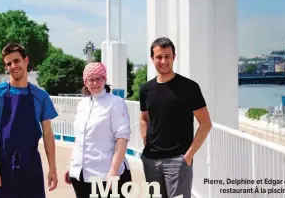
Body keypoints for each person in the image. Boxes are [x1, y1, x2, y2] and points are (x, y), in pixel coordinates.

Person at [0, 43, 59, 198]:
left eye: (16, 61)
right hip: (2, 164)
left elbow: (48, 134)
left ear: (26, 60)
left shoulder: (41, 96)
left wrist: (52, 169)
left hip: (31, 164)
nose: (13, 66)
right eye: (8, 63)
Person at [139, 37, 213, 198]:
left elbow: (206, 124)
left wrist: (187, 157)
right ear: (152, 58)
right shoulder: (145, 89)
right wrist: (146, 143)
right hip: (151, 160)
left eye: (167, 56)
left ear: (174, 57)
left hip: (178, 160)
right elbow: (144, 118)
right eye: (159, 56)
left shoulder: (189, 87)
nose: (163, 61)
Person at [64, 62, 132, 198]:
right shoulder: (82, 104)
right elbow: (79, 139)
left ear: (105, 80)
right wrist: (70, 165)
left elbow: (122, 138)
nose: (94, 83)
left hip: (106, 175)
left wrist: (113, 170)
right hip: (81, 175)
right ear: (85, 82)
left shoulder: (115, 103)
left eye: (98, 78)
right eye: (90, 79)